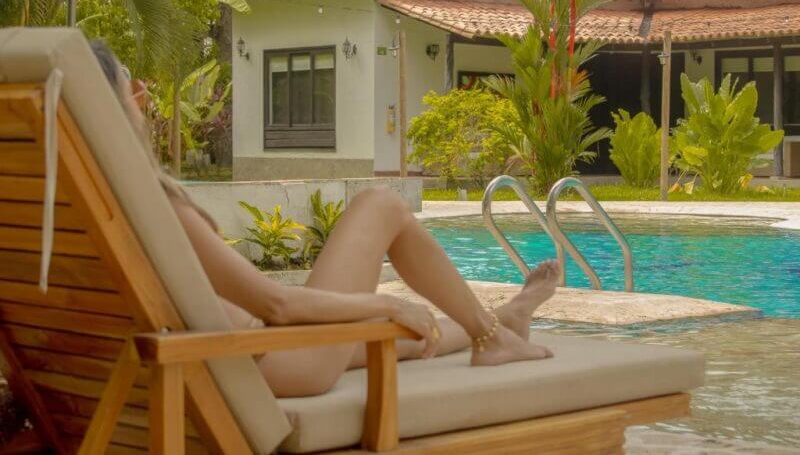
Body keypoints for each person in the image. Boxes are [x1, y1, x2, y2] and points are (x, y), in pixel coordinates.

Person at [91, 41, 559, 398]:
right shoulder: (152, 204)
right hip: (279, 359)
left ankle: (502, 319)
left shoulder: (85, 209)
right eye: (128, 80)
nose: (143, 91)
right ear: (118, 104)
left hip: (240, 351)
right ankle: (490, 335)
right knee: (381, 205)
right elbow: (278, 307)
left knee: (413, 339)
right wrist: (386, 305)